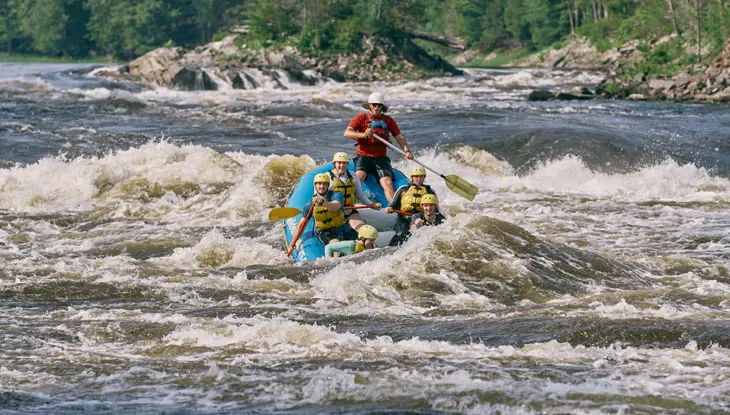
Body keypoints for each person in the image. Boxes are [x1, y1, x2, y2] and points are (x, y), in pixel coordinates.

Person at [343, 92, 414, 202]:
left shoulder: (388, 120)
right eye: (374, 104)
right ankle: (347, 201)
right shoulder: (361, 118)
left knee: (387, 182)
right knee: (359, 176)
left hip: (380, 158)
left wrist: (406, 150)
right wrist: (363, 134)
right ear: (369, 105)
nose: (376, 107)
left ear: (382, 106)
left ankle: (394, 208)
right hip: (363, 156)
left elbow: (399, 137)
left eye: (379, 105)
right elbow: (347, 133)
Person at [386, 166, 438, 246]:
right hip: (403, 219)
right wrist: (389, 208)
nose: (419, 179)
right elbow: (393, 205)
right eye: (416, 176)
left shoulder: (430, 191)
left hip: (420, 219)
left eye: (421, 176)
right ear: (412, 177)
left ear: (424, 177)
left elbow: (436, 210)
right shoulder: (403, 189)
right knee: (401, 234)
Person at [329, 152, 382, 231]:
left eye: (344, 163)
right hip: (333, 212)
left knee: (364, 231)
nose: (342, 166)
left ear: (347, 164)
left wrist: (371, 204)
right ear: (334, 164)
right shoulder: (327, 177)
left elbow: (360, 195)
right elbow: (320, 195)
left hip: (349, 211)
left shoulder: (353, 176)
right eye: (339, 163)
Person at [301, 173, 357, 247]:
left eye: (324, 184)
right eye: (319, 184)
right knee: (336, 245)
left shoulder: (336, 194)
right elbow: (302, 224)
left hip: (343, 228)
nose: (322, 186)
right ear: (315, 185)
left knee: (363, 241)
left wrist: (323, 203)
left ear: (328, 185)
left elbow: (336, 207)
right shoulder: (309, 204)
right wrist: (292, 243)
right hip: (326, 232)